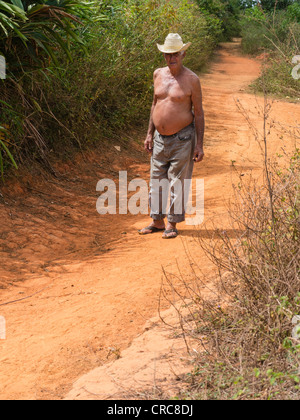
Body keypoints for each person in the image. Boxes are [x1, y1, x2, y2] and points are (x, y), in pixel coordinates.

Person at [138, 33, 205, 239]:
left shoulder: (192, 80)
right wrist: (149, 133)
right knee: (157, 179)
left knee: (177, 181)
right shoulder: (158, 74)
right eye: (168, 54)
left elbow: (199, 112)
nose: (171, 58)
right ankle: (157, 221)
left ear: (183, 53)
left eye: (175, 54)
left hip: (183, 137)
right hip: (159, 138)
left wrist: (199, 145)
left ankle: (172, 224)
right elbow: (154, 104)